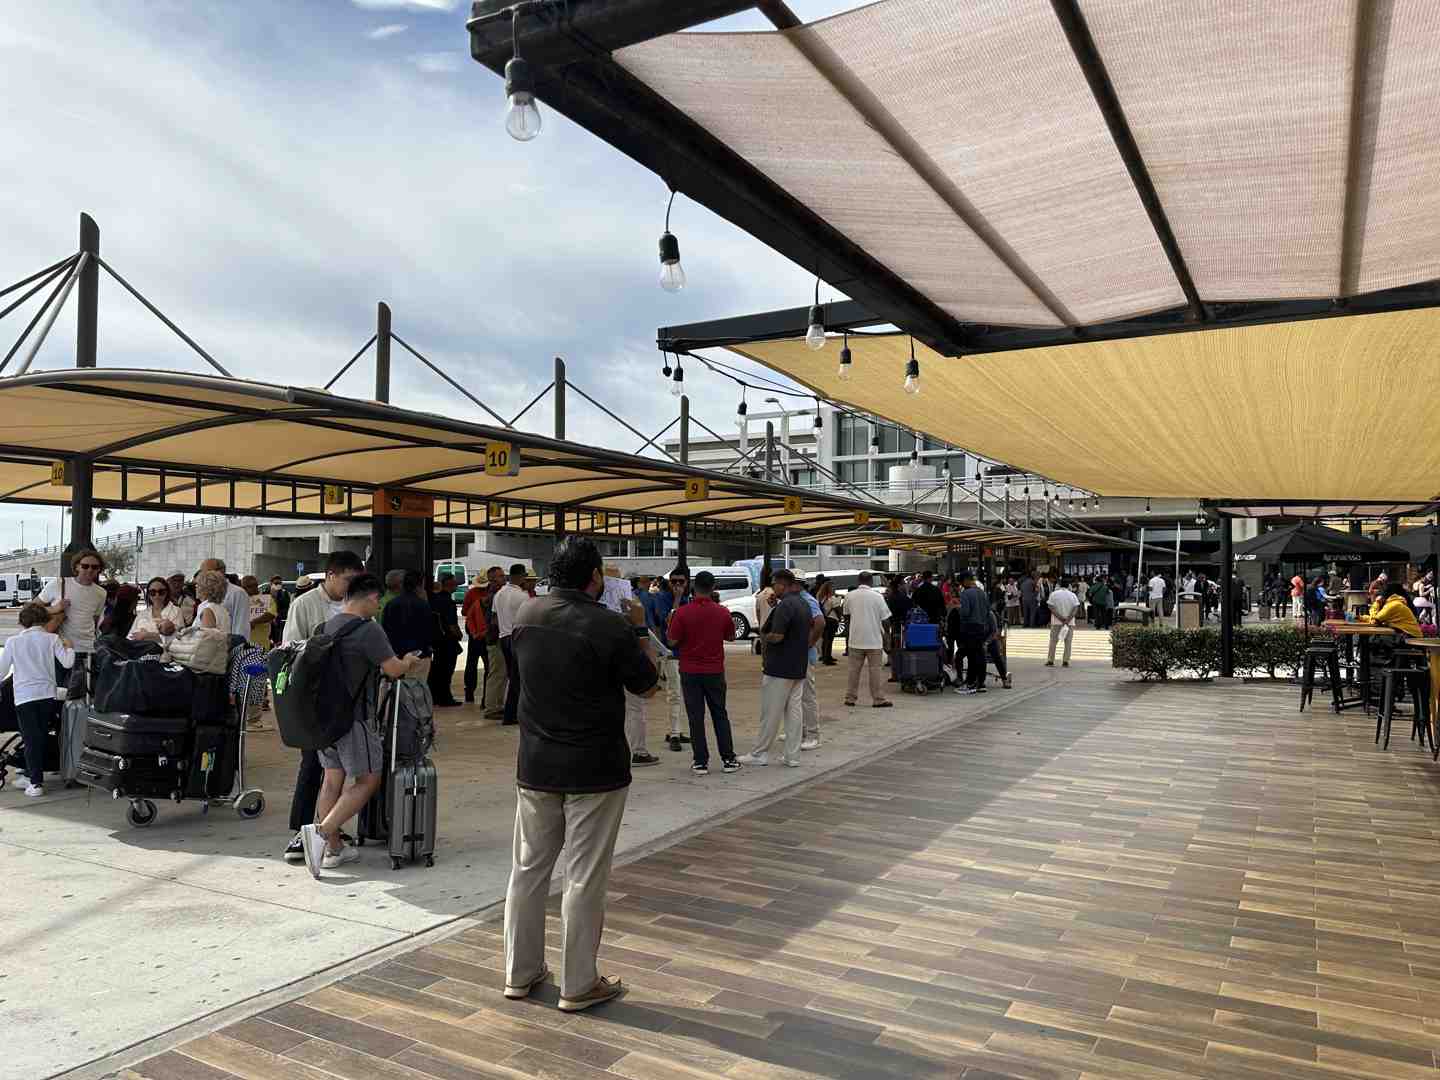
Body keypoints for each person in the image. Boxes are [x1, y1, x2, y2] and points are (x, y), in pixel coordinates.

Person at [503, 537, 659, 1012]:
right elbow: (647, 685)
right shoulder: (607, 625)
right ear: (594, 577)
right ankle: (578, 983)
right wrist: (638, 630)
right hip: (595, 767)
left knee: (528, 870)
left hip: (536, 764)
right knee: (583, 877)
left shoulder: (527, 616)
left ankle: (520, 973)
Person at [299, 573, 421, 877]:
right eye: (377, 600)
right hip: (354, 718)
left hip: (324, 719)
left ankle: (334, 850)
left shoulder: (325, 626)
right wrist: (408, 661)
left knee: (331, 781)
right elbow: (392, 670)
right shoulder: (369, 630)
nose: (378, 606)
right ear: (367, 597)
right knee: (367, 781)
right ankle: (322, 833)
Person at [280, 550, 365, 865]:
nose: (351, 586)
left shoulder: (356, 606)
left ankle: (332, 831)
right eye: (348, 580)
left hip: (350, 702)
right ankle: (302, 832)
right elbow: (290, 649)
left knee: (343, 772)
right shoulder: (304, 605)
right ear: (330, 575)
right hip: (315, 702)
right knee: (312, 768)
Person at [666, 570, 740, 775]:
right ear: (713, 588)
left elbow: (671, 641)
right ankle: (728, 759)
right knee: (720, 714)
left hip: (689, 671)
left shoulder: (681, 613)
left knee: (695, 717)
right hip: (714, 671)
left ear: (693, 587)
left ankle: (700, 761)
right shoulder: (723, 612)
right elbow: (732, 637)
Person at [1, 601, 74, 797]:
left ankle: (35, 782)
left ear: (22, 622)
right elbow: (68, 663)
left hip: (24, 697)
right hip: (47, 695)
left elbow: (1, 673)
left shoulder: (13, 642)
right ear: (43, 619)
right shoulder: (52, 639)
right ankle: (30, 773)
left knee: (30, 738)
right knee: (40, 736)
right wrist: (69, 647)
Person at [739, 569, 809, 768]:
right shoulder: (802, 603)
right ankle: (792, 756)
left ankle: (760, 753)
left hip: (779, 667)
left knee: (770, 712)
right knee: (794, 713)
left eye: (774, 583)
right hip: (798, 665)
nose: (772, 587)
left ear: (781, 584)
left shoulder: (786, 605)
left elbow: (777, 635)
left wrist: (764, 637)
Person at [38, 549, 107, 692]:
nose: (89, 570)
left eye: (95, 567)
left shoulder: (101, 593)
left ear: (99, 570)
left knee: (81, 696)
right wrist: (54, 608)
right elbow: (29, 609)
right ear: (76, 566)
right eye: (85, 566)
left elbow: (94, 620)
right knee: (57, 693)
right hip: (60, 649)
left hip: (87, 651)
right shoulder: (58, 584)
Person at [650, 566, 692, 753]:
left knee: (683, 694)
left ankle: (677, 729)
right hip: (671, 652)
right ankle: (674, 732)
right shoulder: (662, 599)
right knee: (674, 693)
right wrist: (676, 599)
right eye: (673, 581)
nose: (676, 585)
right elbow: (670, 623)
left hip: (686, 653)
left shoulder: (688, 599)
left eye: (680, 582)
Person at [842, 572, 892, 708]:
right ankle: (878, 700)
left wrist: (849, 634)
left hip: (855, 640)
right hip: (874, 641)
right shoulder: (878, 597)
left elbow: (846, 617)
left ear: (859, 581)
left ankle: (850, 698)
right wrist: (887, 635)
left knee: (853, 671)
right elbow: (886, 620)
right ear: (871, 581)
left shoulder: (849, 596)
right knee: (875, 671)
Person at [493, 564, 530, 726]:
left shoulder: (499, 594)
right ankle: (511, 714)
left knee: (512, 676)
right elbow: (529, 619)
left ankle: (511, 713)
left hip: (503, 637)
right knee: (518, 678)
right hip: (517, 638)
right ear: (521, 576)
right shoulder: (522, 596)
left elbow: (494, 619)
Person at [380, 569, 435, 678]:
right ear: (419, 585)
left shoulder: (390, 604)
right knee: (416, 690)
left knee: (396, 690)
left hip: (395, 655)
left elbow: (385, 630)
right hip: (419, 655)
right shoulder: (423, 605)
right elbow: (429, 631)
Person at [793, 580, 827, 751]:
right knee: (796, 696)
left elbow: (820, 622)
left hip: (805, 655)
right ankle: (801, 730)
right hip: (797, 655)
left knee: (807, 695)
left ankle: (813, 734)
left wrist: (809, 643)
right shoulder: (797, 600)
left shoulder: (807, 601)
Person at [948, 570, 990, 694]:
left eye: (961, 582)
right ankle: (981, 683)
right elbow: (988, 611)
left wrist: (957, 608)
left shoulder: (966, 594)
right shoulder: (982, 593)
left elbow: (965, 613)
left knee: (972, 656)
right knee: (980, 655)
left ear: (966, 580)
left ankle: (970, 683)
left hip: (970, 627)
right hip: (982, 627)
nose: (961, 585)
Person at [429, 573, 463, 707]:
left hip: (437, 640)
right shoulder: (448, 601)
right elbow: (452, 624)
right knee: (447, 670)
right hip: (448, 641)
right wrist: (458, 634)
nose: (457, 584)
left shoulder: (435, 599)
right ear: (448, 584)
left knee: (438, 669)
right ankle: (445, 698)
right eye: (454, 582)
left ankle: (436, 697)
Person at [477, 566, 507, 719]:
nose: (504, 578)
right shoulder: (493, 596)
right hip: (495, 639)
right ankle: (492, 708)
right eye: (501, 576)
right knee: (496, 673)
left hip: (495, 638)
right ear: (492, 580)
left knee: (500, 674)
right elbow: (494, 621)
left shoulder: (494, 595)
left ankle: (497, 704)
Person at [198, 559, 250, 646]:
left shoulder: (238, 593)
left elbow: (241, 626)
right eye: (201, 573)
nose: (202, 576)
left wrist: (237, 649)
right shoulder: (204, 604)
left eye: (207, 572)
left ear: (221, 571)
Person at [131, 577, 182, 643]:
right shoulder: (143, 613)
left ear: (167, 592)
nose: (157, 595)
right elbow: (131, 636)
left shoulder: (176, 612)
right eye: (153, 592)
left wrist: (147, 635)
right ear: (148, 594)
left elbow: (179, 638)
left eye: (161, 592)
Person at [1046, 577, 1081, 667]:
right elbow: (1075, 608)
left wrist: (1060, 618)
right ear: (1069, 585)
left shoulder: (1054, 594)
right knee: (1068, 642)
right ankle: (1065, 661)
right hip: (1069, 623)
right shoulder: (1073, 595)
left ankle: (1050, 660)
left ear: (1059, 584)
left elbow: (1051, 607)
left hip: (1056, 622)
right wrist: (1067, 620)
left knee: (1053, 641)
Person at [885, 575, 913, 680]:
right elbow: (910, 606)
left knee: (895, 651)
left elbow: (887, 613)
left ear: (893, 588)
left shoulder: (892, 598)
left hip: (895, 626)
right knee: (904, 649)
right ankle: (904, 672)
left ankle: (895, 674)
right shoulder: (904, 597)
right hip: (904, 625)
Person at [194, 569, 232, 634]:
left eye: (198, 584)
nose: (195, 587)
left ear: (206, 588)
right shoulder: (221, 608)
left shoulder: (208, 610)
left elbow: (207, 640)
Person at [242, 575, 274, 650]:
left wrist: (254, 622)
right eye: (248, 586)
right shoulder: (240, 600)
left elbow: (271, 614)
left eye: (255, 585)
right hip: (243, 646)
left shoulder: (267, 600)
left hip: (261, 645)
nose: (254, 588)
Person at [815, 577, 840, 665]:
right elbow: (837, 609)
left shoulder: (819, 597)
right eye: (832, 587)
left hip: (824, 618)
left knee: (825, 639)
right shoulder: (831, 598)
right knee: (829, 640)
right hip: (832, 619)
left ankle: (825, 656)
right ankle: (827, 659)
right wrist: (840, 617)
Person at [268, 575, 291, 645]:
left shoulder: (285, 593)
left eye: (280, 583)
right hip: (269, 621)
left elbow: (286, 607)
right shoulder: (266, 593)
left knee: (279, 641)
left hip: (280, 621)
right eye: (276, 583)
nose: (278, 585)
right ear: (271, 584)